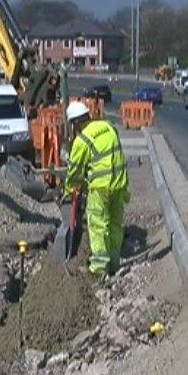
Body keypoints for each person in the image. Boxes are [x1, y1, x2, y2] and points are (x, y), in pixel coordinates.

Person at [63, 101, 129, 277]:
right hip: (120, 183)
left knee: (98, 224)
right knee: (115, 223)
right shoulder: (108, 127)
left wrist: (69, 189)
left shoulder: (81, 140)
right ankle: (114, 262)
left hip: (101, 187)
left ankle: (99, 267)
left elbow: (75, 171)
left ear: (74, 123)